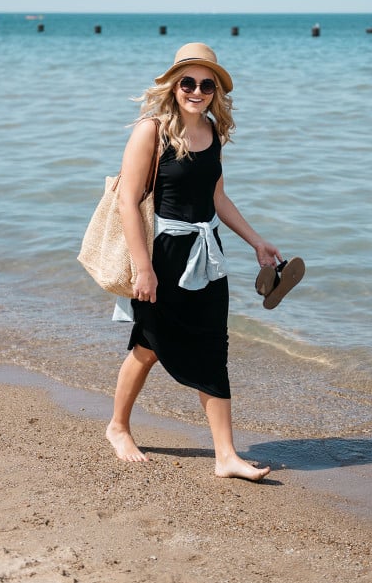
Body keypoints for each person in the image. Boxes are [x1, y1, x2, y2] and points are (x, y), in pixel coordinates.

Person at [106, 42, 282, 481]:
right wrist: (143, 268)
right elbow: (128, 201)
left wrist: (256, 242)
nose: (197, 91)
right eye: (188, 82)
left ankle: (226, 456)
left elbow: (217, 197)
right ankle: (118, 427)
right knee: (147, 347)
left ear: (215, 91)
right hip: (162, 256)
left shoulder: (212, 132)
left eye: (206, 84)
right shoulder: (152, 131)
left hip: (207, 258)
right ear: (173, 84)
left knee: (213, 348)